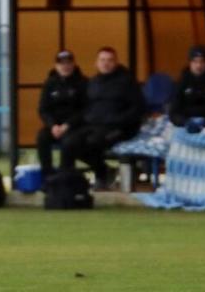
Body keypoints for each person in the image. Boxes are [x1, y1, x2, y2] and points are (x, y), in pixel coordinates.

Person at [61, 47, 146, 188]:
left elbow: (138, 108)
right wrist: (70, 124)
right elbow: (85, 108)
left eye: (110, 60)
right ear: (96, 63)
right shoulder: (93, 82)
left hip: (120, 127)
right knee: (68, 142)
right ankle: (66, 184)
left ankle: (101, 175)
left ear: (116, 62)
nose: (106, 63)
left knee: (93, 142)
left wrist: (119, 121)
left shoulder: (127, 82)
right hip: (94, 125)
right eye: (102, 60)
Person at [37, 50, 88, 177]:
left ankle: (64, 176)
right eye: (62, 64)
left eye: (68, 63)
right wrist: (52, 125)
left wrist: (67, 125)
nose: (65, 66)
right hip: (54, 126)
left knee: (69, 142)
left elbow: (85, 110)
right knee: (42, 137)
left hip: (75, 126)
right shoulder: (50, 83)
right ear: (56, 66)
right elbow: (43, 109)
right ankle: (47, 175)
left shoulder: (83, 83)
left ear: (73, 64)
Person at [169, 46, 205, 129]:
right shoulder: (183, 81)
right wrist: (185, 122)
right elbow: (173, 112)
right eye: (195, 62)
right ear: (190, 63)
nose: (199, 65)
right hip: (186, 123)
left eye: (202, 61)